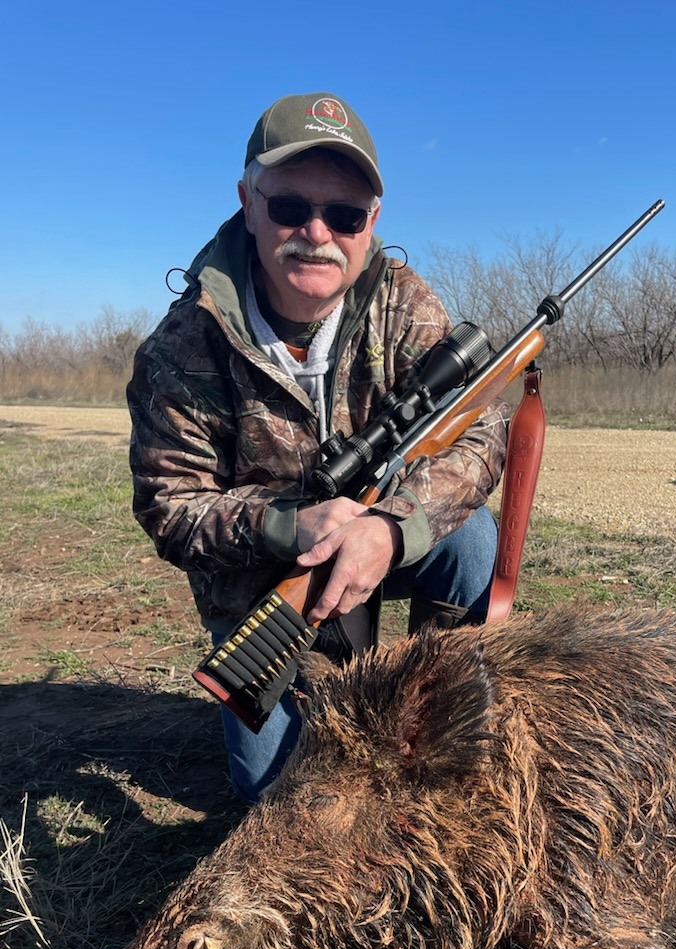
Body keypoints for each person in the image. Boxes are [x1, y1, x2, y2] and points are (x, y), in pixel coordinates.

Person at [128, 93, 509, 804]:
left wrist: (390, 530)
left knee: (471, 541)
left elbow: (480, 433)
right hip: (265, 589)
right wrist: (287, 525)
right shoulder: (180, 347)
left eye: (344, 215)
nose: (317, 233)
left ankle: (430, 704)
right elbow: (168, 506)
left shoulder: (403, 303)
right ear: (248, 202)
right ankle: (309, 688)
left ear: (371, 224)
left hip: (373, 544)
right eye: (290, 207)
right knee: (280, 805)